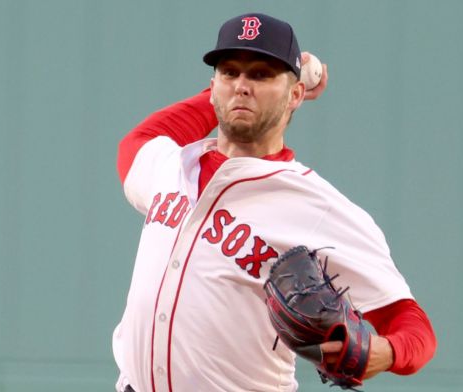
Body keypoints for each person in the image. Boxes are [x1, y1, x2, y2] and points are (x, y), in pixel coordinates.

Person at [113, 13, 436, 392]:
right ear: (212, 85)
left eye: (262, 75)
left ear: (296, 95)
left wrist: (389, 351)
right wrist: (225, 94)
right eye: (229, 73)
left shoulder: (317, 206)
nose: (242, 86)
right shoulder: (171, 167)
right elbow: (141, 139)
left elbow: (413, 326)